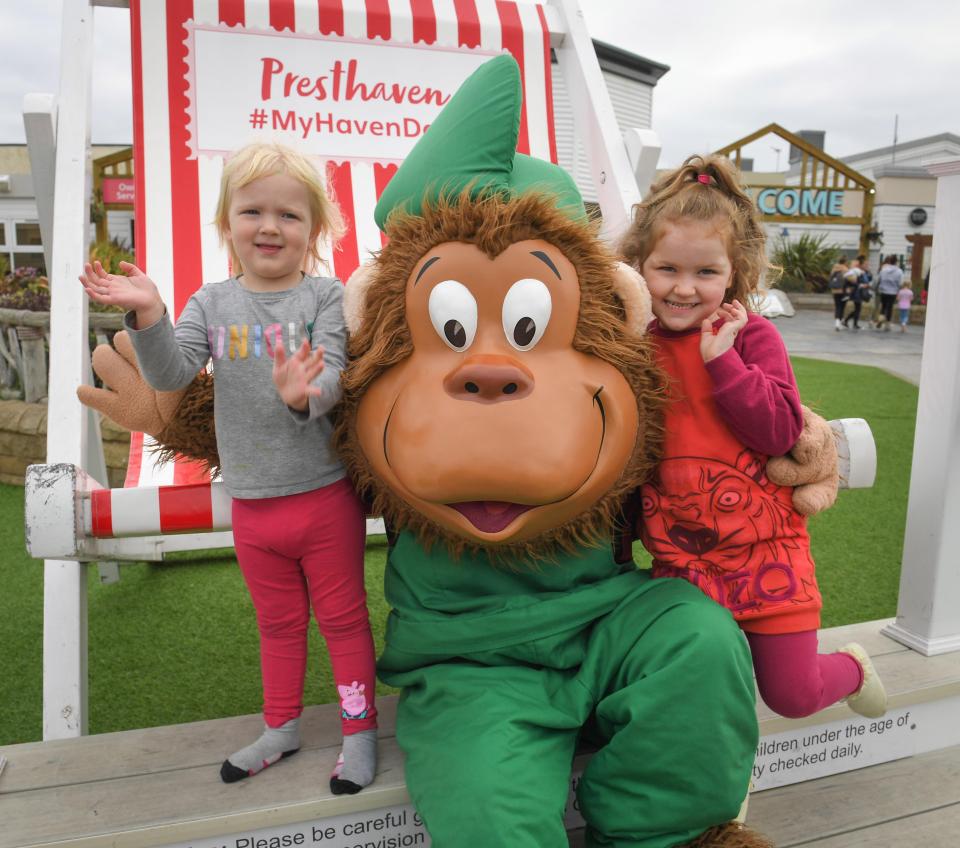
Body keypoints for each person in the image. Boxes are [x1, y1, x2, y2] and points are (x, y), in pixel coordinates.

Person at [78, 142, 379, 794]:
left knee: (344, 621)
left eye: (289, 216)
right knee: (275, 624)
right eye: (252, 211)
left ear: (315, 230)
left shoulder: (325, 296)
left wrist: (309, 391)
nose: (269, 226)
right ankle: (282, 727)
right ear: (227, 224)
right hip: (252, 506)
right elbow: (170, 375)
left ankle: (359, 733)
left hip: (323, 501)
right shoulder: (211, 303)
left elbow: (334, 373)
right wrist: (151, 314)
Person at [618, 153, 888, 721]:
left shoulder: (751, 336)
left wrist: (724, 365)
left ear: (733, 273)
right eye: (667, 269)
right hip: (682, 560)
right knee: (702, 685)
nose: (684, 289)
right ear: (639, 264)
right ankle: (721, 776)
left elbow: (780, 432)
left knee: (793, 696)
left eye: (706, 273)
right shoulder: (632, 345)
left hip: (768, 552)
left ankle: (853, 667)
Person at [842, 255, 872, 330]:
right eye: (865, 264)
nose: (867, 266)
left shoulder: (864, 272)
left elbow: (869, 279)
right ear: (861, 264)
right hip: (857, 292)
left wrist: (868, 271)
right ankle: (849, 322)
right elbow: (854, 282)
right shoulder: (857, 272)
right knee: (858, 309)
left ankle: (851, 322)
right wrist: (862, 285)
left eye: (867, 264)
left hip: (860, 292)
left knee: (858, 308)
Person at [874, 254, 904, 331]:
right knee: (889, 307)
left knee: (883, 306)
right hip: (893, 292)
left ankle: (880, 319)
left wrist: (877, 288)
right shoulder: (899, 271)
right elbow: (900, 283)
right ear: (896, 262)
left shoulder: (883, 270)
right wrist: (898, 290)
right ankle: (887, 324)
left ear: (889, 261)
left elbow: (878, 279)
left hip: (883, 291)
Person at [828, 254, 849, 331]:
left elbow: (831, 277)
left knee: (837, 306)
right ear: (845, 262)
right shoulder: (845, 269)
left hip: (834, 290)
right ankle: (839, 323)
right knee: (842, 307)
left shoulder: (834, 268)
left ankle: (837, 322)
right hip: (843, 291)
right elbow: (850, 279)